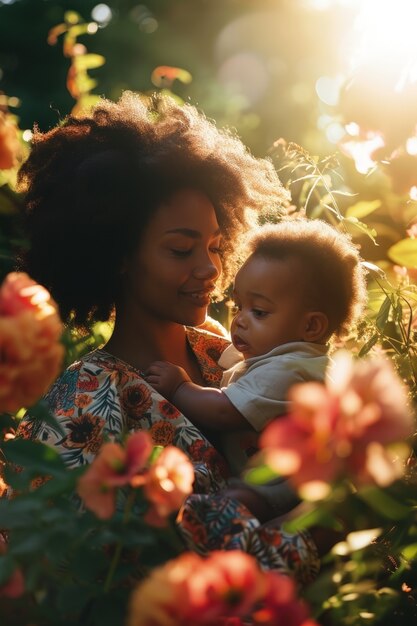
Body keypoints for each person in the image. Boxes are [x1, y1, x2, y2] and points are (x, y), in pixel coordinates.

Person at [15, 90, 319, 582]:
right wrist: (332, 521)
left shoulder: (227, 349)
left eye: (216, 246)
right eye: (181, 250)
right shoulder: (81, 407)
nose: (209, 269)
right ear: (118, 255)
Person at [146, 219, 367, 478]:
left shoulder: (289, 371)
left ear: (311, 326)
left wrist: (179, 388)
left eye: (259, 312)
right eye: (238, 305)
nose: (239, 320)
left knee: (238, 500)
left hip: (282, 494)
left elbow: (223, 410)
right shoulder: (279, 356)